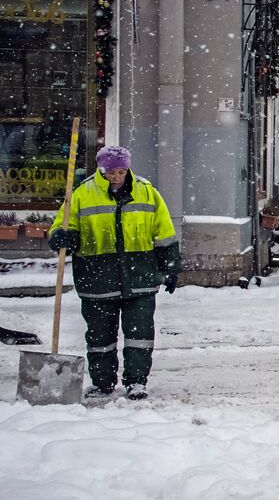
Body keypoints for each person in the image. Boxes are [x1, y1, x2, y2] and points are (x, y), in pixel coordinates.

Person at [47, 145, 181, 400]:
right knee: (100, 337)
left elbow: (163, 232)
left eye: (121, 171)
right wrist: (64, 237)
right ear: (101, 170)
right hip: (97, 277)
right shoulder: (82, 194)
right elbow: (62, 226)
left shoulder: (147, 192)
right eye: (111, 172)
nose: (117, 177)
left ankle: (137, 381)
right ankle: (102, 382)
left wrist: (171, 267)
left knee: (139, 334)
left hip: (139, 276)